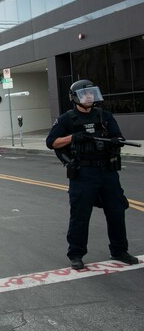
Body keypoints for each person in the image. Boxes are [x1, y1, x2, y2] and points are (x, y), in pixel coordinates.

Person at [46, 79, 139, 270]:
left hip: (107, 171)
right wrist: (74, 137)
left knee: (116, 211)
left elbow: (118, 137)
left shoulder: (104, 116)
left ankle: (120, 250)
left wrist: (115, 141)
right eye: (84, 94)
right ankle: (76, 253)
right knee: (80, 214)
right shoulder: (67, 119)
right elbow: (52, 142)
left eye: (91, 93)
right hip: (83, 173)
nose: (89, 97)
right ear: (75, 98)